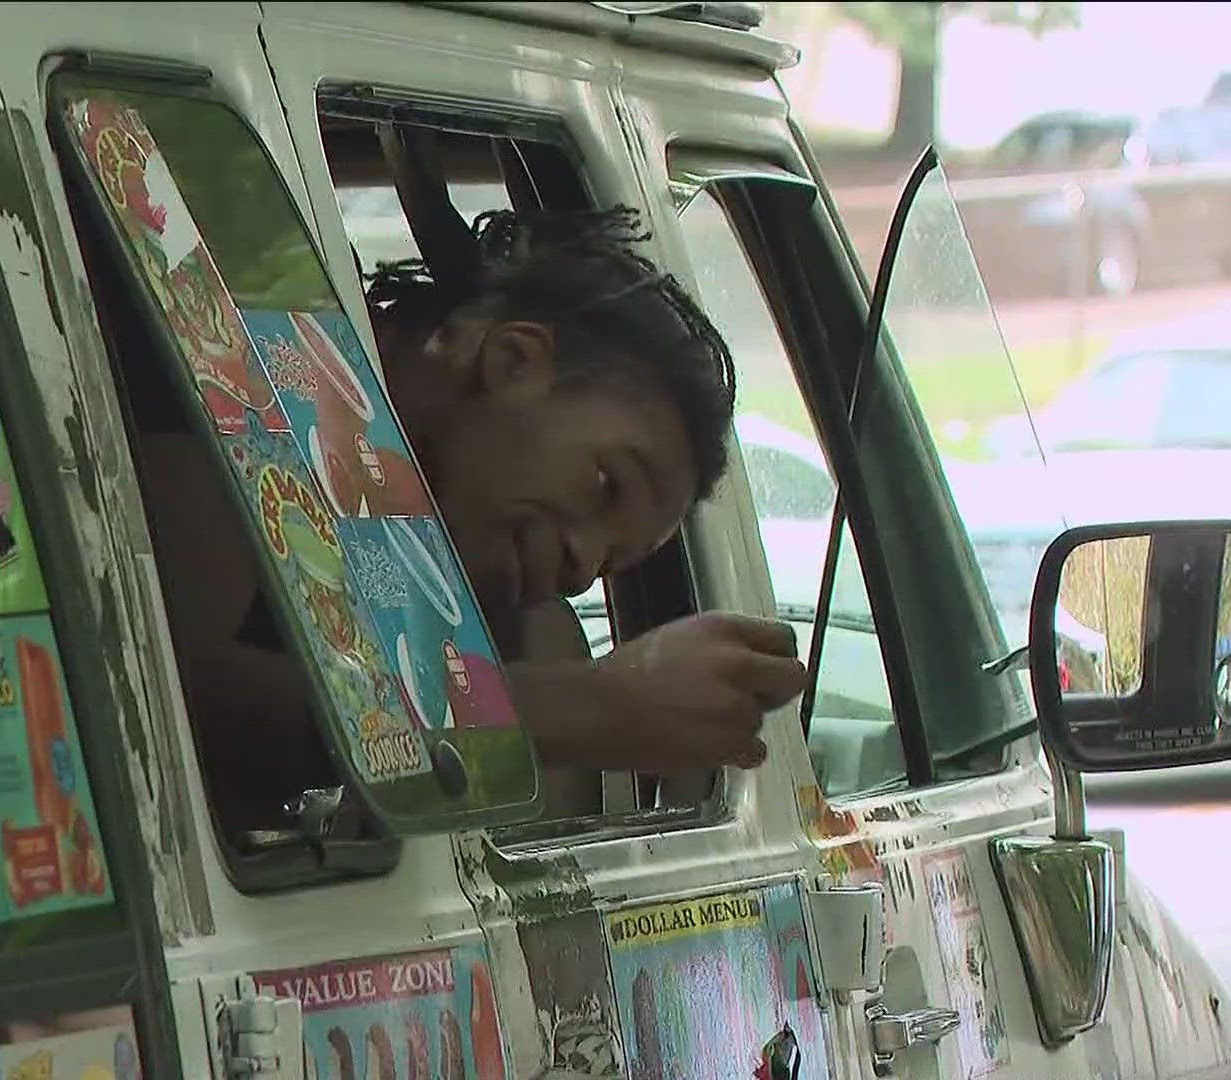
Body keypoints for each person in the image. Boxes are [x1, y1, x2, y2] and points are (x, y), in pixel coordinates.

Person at [133, 204, 807, 829]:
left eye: (609, 562)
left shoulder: (511, 630)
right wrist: (578, 707)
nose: (579, 568)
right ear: (514, 361)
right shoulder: (232, 400)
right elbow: (152, 702)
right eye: (605, 484)